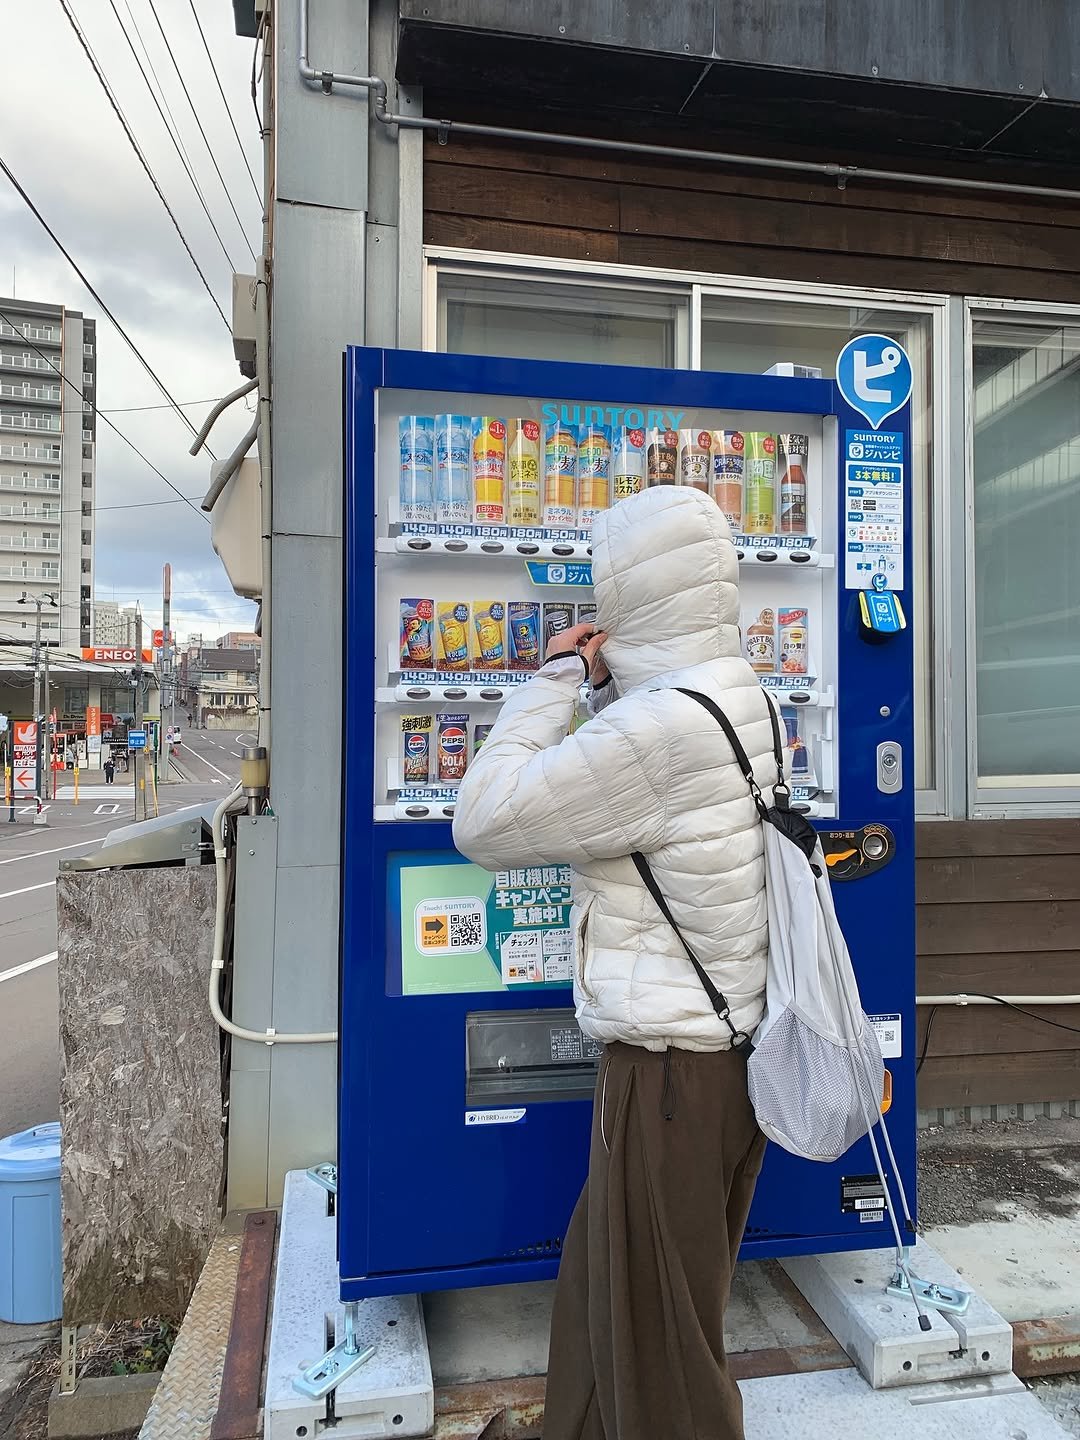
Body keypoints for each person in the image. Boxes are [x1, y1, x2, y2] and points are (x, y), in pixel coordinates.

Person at [453, 486, 784, 1440]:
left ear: (627, 595)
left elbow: (485, 819)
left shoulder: (655, 731)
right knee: (610, 1290)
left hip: (669, 1076)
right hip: (724, 1058)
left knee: (662, 1339)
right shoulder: (736, 692)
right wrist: (608, 689)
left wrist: (556, 677)